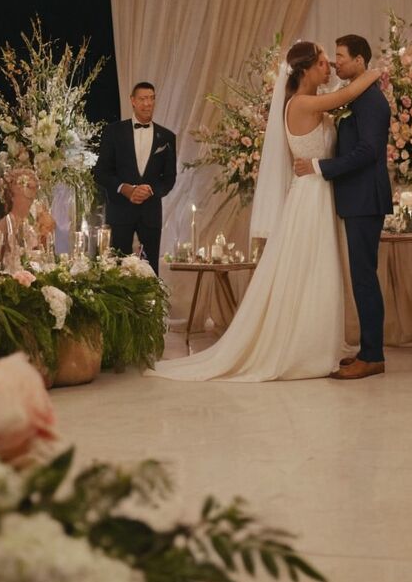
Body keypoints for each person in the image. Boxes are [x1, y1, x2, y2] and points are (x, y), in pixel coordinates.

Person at [150, 41, 381, 382]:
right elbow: (345, 96)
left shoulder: (309, 102)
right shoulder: (301, 103)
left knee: (318, 270)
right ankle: (304, 348)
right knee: (310, 269)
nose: (329, 67)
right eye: (322, 63)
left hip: (319, 193)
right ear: (305, 71)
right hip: (310, 197)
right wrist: (374, 73)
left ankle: (319, 343)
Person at [293, 35, 391, 379]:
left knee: (364, 277)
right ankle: (367, 350)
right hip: (354, 197)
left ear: (360, 61)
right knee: (360, 276)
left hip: (365, 198)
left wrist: (320, 167)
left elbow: (368, 152)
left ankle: (373, 356)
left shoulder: (372, 101)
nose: (336, 63)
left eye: (341, 57)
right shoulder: (355, 96)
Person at [94, 82, 177, 274]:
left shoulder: (166, 137)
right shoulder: (113, 132)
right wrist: (125, 188)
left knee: (151, 270)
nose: (148, 103)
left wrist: (150, 190)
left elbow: (169, 178)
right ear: (132, 101)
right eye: (143, 99)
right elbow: (100, 172)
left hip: (150, 214)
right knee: (118, 270)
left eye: (151, 98)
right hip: (120, 211)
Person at [0, 167, 55, 263]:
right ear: (12, 196)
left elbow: (45, 250)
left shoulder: (36, 217)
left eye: (34, 188)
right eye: (28, 188)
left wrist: (44, 235)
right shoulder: (7, 222)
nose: (31, 197)